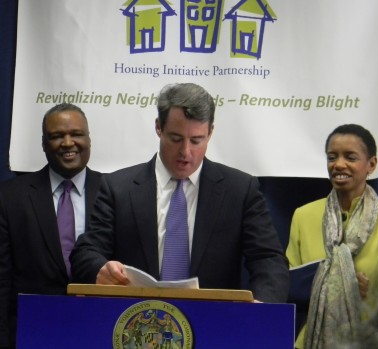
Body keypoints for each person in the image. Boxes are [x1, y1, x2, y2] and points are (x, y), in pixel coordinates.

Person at [70, 82, 289, 303]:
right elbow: (85, 252)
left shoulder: (240, 190)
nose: (186, 152)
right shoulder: (118, 188)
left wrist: (263, 307)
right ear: (159, 128)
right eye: (176, 139)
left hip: (215, 324)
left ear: (210, 132)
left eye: (196, 140)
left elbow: (268, 259)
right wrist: (100, 269)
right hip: (136, 323)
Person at [286, 124, 378, 349]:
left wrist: (370, 295)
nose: (338, 164)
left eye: (350, 157)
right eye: (332, 157)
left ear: (372, 164)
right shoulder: (303, 216)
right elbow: (290, 287)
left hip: (371, 341)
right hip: (308, 340)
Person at [0, 103, 102, 349]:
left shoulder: (116, 193)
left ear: (89, 139)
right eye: (57, 136)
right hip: (32, 332)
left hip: (99, 327)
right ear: (44, 144)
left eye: (76, 134)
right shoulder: (9, 197)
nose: (68, 143)